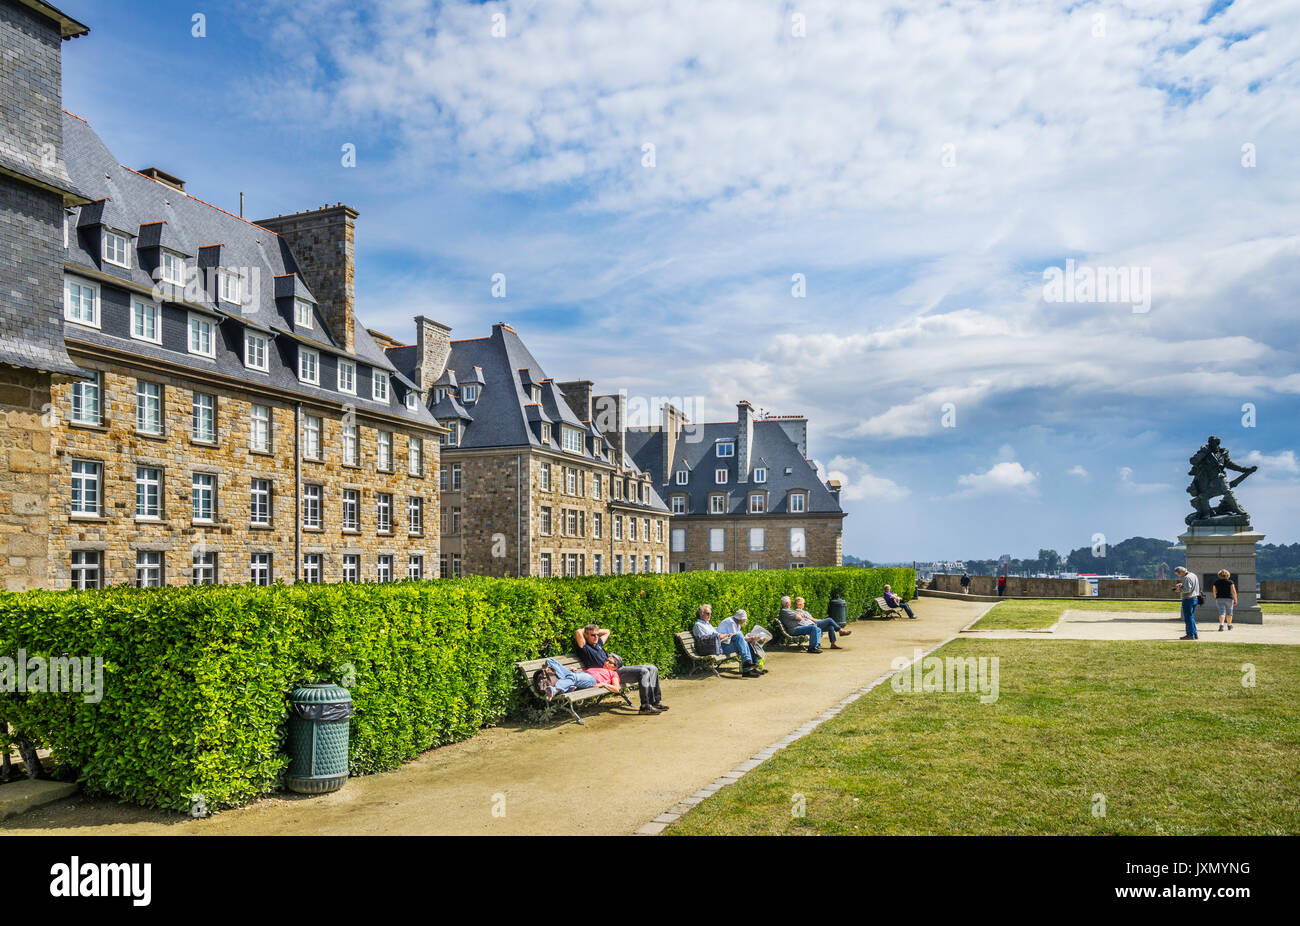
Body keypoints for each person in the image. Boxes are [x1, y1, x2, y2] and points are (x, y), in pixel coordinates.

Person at [575, 624, 669, 714]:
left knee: (652, 668)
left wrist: (595, 631)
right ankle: (645, 706)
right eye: (593, 635)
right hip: (610, 675)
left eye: (597, 635)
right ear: (586, 635)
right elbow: (578, 631)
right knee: (643, 672)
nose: (596, 637)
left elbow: (607, 631)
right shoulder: (585, 648)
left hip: (616, 669)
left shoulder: (598, 643)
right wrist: (587, 630)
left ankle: (655, 702)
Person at [694, 604, 763, 677]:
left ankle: (748, 667)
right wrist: (723, 636)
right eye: (708, 613)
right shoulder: (698, 625)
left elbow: (716, 635)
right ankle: (747, 666)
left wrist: (726, 635)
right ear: (701, 614)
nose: (710, 615)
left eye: (711, 613)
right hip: (712, 648)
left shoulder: (707, 624)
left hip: (718, 645)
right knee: (740, 637)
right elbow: (704, 639)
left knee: (743, 640)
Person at [777, 595, 843, 653]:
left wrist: (799, 615)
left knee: (825, 626)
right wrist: (799, 615)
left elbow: (799, 616)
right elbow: (799, 617)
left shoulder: (789, 610)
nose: (791, 603)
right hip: (795, 629)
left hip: (799, 627)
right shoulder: (785, 611)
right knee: (814, 627)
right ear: (787, 603)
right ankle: (812, 648)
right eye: (790, 602)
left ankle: (817, 646)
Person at [1172, 566, 1200, 640]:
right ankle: (1194, 634)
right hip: (1195, 598)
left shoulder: (1186, 577)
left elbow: (1187, 589)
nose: (1179, 576)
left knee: (1188, 618)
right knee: (1191, 617)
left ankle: (1190, 635)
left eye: (1178, 574)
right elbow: (1191, 586)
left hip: (1188, 599)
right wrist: (1182, 585)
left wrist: (1178, 590)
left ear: (1181, 572)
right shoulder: (1193, 575)